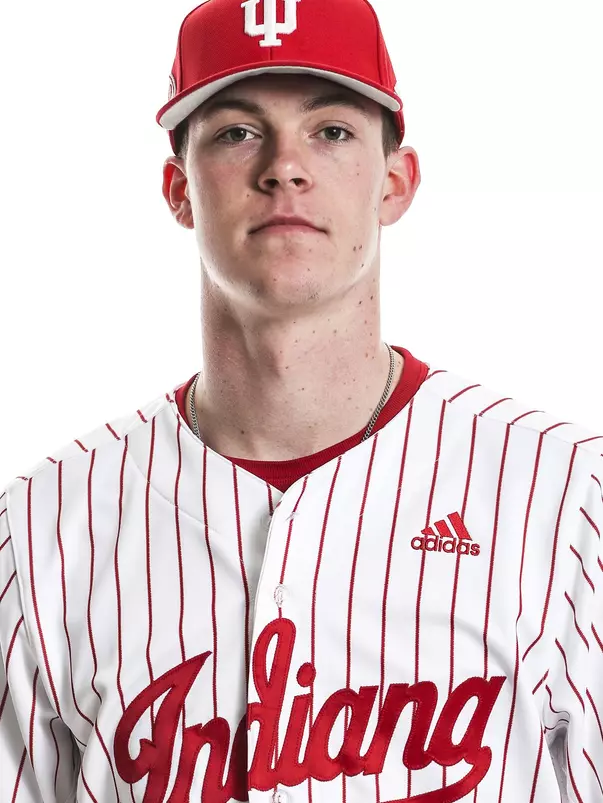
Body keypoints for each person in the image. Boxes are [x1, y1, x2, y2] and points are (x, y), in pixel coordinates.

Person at [0, 0, 601, 800]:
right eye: (236, 133)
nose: (284, 167)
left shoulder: (564, 494)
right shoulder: (41, 524)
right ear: (179, 190)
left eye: (331, 131)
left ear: (395, 183)